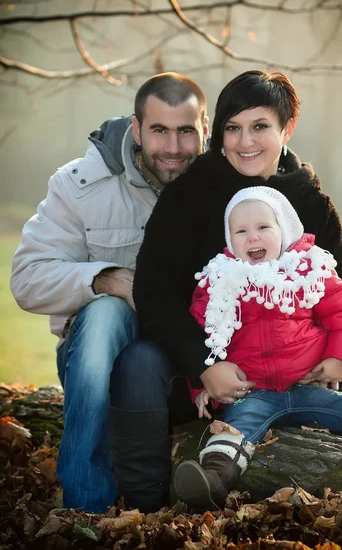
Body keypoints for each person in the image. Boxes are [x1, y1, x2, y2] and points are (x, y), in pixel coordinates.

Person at [111, 69, 342, 513]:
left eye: (260, 126)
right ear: (219, 132)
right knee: (137, 361)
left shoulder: (311, 201)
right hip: (204, 378)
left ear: (287, 128)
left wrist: (332, 359)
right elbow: (155, 293)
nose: (245, 142)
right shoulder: (190, 194)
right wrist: (205, 366)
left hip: (295, 375)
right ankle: (147, 509)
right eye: (233, 128)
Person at [9, 72, 209, 513]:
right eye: (159, 130)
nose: (173, 149)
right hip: (100, 358)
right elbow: (27, 278)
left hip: (192, 360)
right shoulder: (81, 185)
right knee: (104, 315)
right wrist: (108, 280)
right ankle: (85, 504)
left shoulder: (223, 183)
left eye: (185, 132)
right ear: (136, 129)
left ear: (205, 130)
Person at [173, 186, 342, 511]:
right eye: (241, 231)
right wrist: (200, 384)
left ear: (283, 231)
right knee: (234, 431)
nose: (253, 237)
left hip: (308, 385)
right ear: (229, 239)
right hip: (252, 393)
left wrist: (339, 359)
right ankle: (211, 482)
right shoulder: (222, 280)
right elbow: (202, 336)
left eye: (263, 228)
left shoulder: (307, 272)